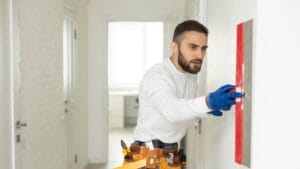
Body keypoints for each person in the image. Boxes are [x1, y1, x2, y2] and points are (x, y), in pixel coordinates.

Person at [132, 20, 243, 151]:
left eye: (203, 48)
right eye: (193, 47)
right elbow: (171, 110)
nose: (199, 55)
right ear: (174, 47)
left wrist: (210, 109)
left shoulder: (190, 75)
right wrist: (208, 102)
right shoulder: (157, 76)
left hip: (170, 151)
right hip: (148, 153)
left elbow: (187, 106)